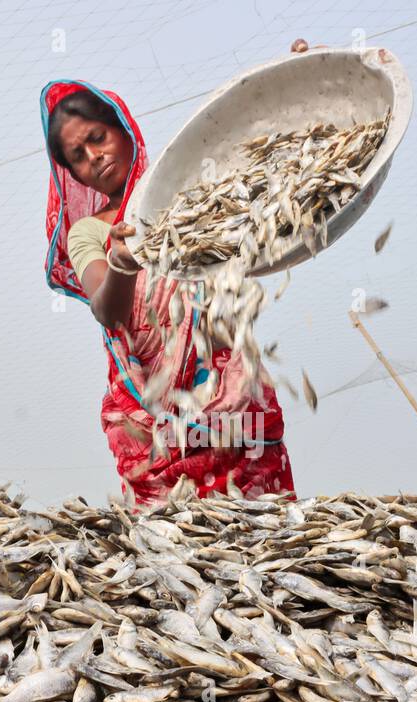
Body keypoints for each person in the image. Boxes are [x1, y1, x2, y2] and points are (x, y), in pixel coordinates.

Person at [41, 79, 295, 506]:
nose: (94, 158)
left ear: (123, 127)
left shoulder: (188, 194)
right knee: (175, 555)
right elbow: (108, 311)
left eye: (97, 139)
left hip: (231, 402)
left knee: (260, 538)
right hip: (151, 421)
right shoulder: (89, 232)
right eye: (78, 158)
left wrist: (294, 90)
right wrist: (122, 261)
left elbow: (269, 180)